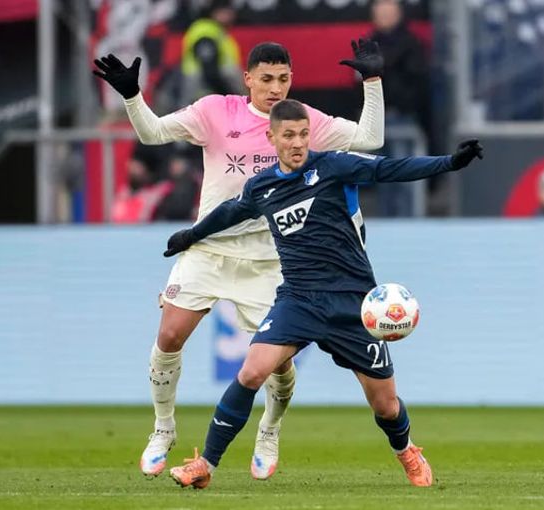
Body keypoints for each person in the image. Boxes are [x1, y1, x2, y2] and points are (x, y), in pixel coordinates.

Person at [92, 38, 385, 479]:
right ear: (248, 78)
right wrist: (132, 96)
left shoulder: (302, 120)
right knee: (169, 334)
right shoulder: (215, 111)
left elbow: (370, 139)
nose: (275, 88)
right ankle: (163, 428)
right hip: (209, 248)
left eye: (283, 79)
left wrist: (372, 81)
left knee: (278, 364)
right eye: (266, 79)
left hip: (269, 257)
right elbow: (152, 133)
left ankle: (270, 430)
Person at [163, 99, 484, 489]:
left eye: (303, 134)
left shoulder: (333, 166)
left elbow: (388, 169)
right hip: (298, 300)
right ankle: (206, 465)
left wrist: (450, 163)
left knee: (385, 405)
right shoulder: (262, 187)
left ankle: (406, 451)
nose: (297, 143)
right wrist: (191, 235)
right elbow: (232, 211)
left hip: (353, 304)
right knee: (251, 372)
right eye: (288, 135)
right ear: (271, 138)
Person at [368, 0, 432, 216]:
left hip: (402, 117)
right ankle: (387, 220)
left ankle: (408, 221)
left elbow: (418, 82)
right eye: (380, 13)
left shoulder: (410, 43)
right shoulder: (369, 45)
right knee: (382, 176)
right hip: (377, 118)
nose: (384, 17)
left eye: (388, 13)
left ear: (398, 14)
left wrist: (402, 103)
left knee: (403, 174)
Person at [179, 0, 244, 106]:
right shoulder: (205, 32)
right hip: (202, 94)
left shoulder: (218, 31)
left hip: (208, 96)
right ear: (215, 13)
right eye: (226, 12)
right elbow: (210, 72)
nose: (230, 15)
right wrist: (231, 98)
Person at [111, 144, 173, 223]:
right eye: (131, 164)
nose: (131, 169)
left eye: (137, 166)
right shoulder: (124, 193)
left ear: (148, 171)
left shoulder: (160, 193)